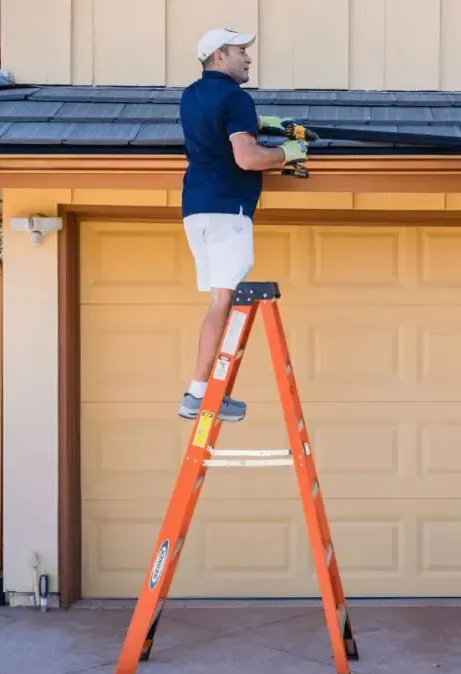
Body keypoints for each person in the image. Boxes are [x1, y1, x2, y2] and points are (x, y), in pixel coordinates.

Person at [177, 27, 307, 422]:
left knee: (217, 304)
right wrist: (287, 151)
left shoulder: (191, 95)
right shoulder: (235, 97)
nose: (248, 58)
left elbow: (218, 132)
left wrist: (259, 121)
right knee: (224, 304)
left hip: (196, 211)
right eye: (240, 51)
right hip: (226, 211)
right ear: (219, 56)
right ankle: (202, 396)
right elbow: (247, 158)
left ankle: (201, 392)